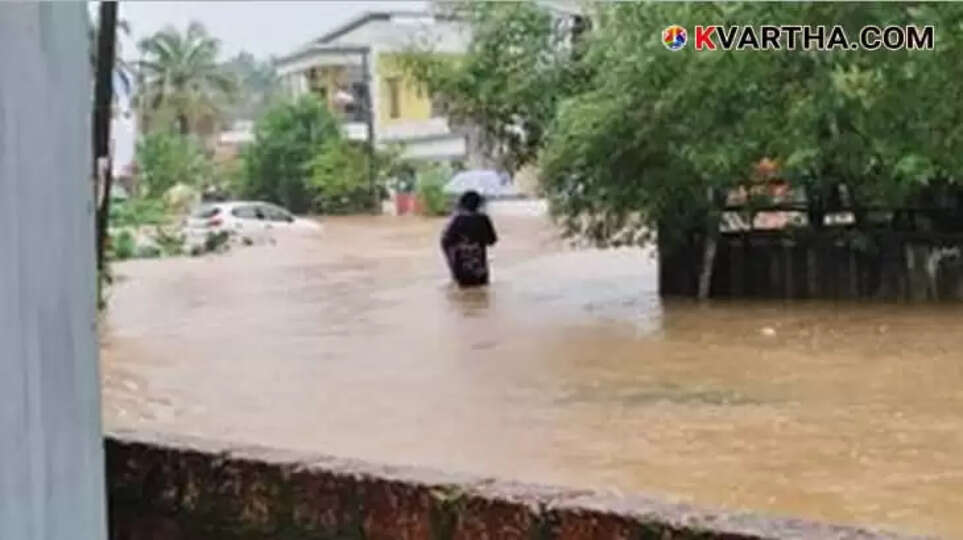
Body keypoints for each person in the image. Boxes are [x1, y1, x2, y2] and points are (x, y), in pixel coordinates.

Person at [441, 190, 498, 287]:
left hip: (461, 272)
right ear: (479, 205)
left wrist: (451, 262)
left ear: (462, 204)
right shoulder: (484, 219)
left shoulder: (457, 220)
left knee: (461, 298)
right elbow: (492, 241)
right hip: (480, 272)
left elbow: (445, 242)